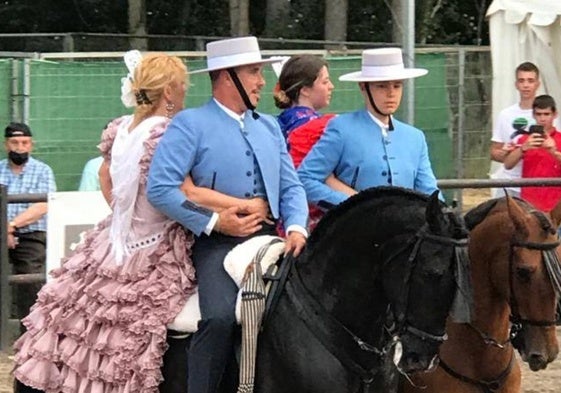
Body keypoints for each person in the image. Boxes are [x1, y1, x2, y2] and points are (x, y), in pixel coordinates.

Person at [12, 52, 200, 393]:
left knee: (86, 320)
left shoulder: (123, 127)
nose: (186, 91)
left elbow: (104, 174)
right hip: (155, 243)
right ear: (170, 91)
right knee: (132, 328)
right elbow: (175, 192)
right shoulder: (166, 132)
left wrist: (121, 209)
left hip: (112, 242)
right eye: (183, 85)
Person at [147, 36, 309, 393]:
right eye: (254, 72)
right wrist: (215, 221)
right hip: (215, 244)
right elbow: (160, 188)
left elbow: (291, 186)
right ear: (226, 76)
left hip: (272, 240)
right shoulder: (190, 123)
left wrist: (297, 227)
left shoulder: (268, 126)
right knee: (218, 318)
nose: (262, 81)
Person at [297, 47, 439, 207]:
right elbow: (305, 178)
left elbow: (430, 192)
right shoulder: (342, 128)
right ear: (363, 87)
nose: (391, 93)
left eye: (397, 86)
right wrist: (352, 207)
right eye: (382, 86)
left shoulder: (415, 137)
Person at [274, 54, 355, 229]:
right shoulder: (317, 127)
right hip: (312, 219)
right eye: (325, 82)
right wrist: (363, 201)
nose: (331, 86)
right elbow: (322, 178)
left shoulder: (277, 123)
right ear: (305, 90)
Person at [0, 122, 56, 332]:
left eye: (24, 142)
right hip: (2, 231)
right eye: (15, 142)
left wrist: (10, 226)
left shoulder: (43, 170)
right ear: (7, 144)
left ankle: (30, 335)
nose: (20, 147)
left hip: (32, 234)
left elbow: (42, 205)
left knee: (30, 279)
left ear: (31, 145)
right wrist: (5, 229)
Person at [489, 62, 541, 198]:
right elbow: (494, 152)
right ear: (516, 84)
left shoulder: (547, 114)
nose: (526, 85)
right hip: (509, 183)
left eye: (530, 81)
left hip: (537, 184)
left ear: (537, 84)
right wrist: (506, 154)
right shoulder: (505, 114)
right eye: (521, 80)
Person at [503, 94, 561, 212]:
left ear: (555, 115)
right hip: (529, 206)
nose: (542, 119)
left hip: (556, 207)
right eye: (539, 114)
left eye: (546, 114)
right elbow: (507, 165)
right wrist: (522, 149)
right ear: (533, 115)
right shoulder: (524, 140)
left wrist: (554, 152)